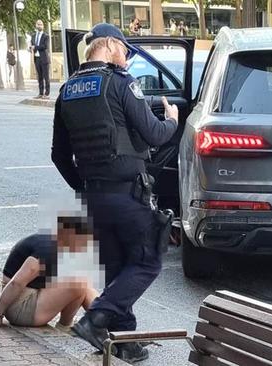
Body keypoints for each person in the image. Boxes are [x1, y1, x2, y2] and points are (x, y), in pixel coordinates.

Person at [51, 23, 178, 362]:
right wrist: (173, 120)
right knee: (148, 260)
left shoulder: (67, 91)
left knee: (119, 268)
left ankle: (124, 342)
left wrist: (84, 187)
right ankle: (95, 319)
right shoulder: (121, 84)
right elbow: (153, 134)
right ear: (108, 44)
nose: (127, 58)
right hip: (126, 195)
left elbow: (59, 155)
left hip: (93, 198)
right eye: (125, 50)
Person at [0, 216, 98, 329]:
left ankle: (107, 320)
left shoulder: (52, 242)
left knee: (83, 282)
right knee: (79, 283)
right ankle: (67, 326)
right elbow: (16, 283)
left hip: (25, 297)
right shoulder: (46, 251)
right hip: (20, 308)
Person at [30, 20, 51, 99]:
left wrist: (35, 47)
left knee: (46, 77)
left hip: (44, 58)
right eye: (38, 24)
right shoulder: (33, 35)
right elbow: (32, 45)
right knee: (39, 77)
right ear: (36, 25)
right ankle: (40, 93)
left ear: (43, 26)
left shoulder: (46, 36)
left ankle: (47, 93)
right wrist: (30, 48)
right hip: (37, 58)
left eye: (41, 24)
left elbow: (45, 46)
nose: (39, 26)